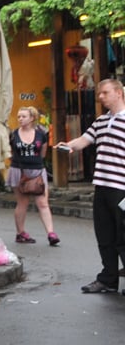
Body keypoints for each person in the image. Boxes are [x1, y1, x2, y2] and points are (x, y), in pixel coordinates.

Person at [56, 77, 125, 293]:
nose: (100, 97)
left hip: (122, 188)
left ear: (118, 93)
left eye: (105, 92)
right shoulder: (101, 121)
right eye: (100, 93)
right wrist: (68, 146)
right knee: (105, 235)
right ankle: (108, 279)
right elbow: (85, 139)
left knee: (123, 237)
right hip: (102, 186)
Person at [8, 105, 57, 246]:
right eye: (19, 116)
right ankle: (21, 232)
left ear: (32, 118)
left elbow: (42, 152)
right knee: (22, 202)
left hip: (37, 170)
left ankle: (51, 233)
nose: (20, 119)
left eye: (24, 116)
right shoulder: (14, 134)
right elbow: (12, 151)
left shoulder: (41, 134)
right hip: (19, 170)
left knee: (42, 202)